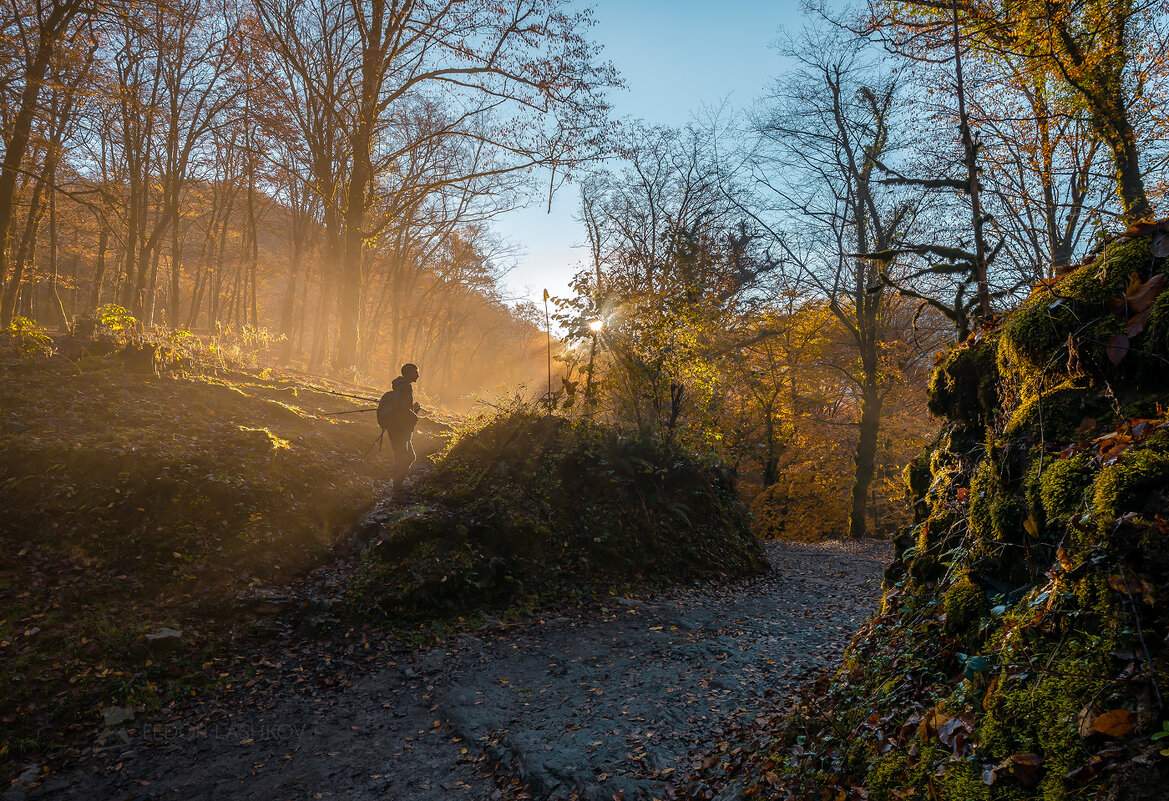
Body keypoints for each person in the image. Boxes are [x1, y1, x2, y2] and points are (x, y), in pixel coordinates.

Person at [387, 363, 421, 492]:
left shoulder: (399, 385)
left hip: (397, 427)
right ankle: (397, 487)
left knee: (408, 456)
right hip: (400, 429)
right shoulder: (406, 387)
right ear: (408, 373)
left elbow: (402, 408)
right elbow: (404, 409)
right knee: (403, 457)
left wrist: (414, 410)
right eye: (415, 372)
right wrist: (415, 416)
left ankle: (398, 483)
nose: (418, 375)